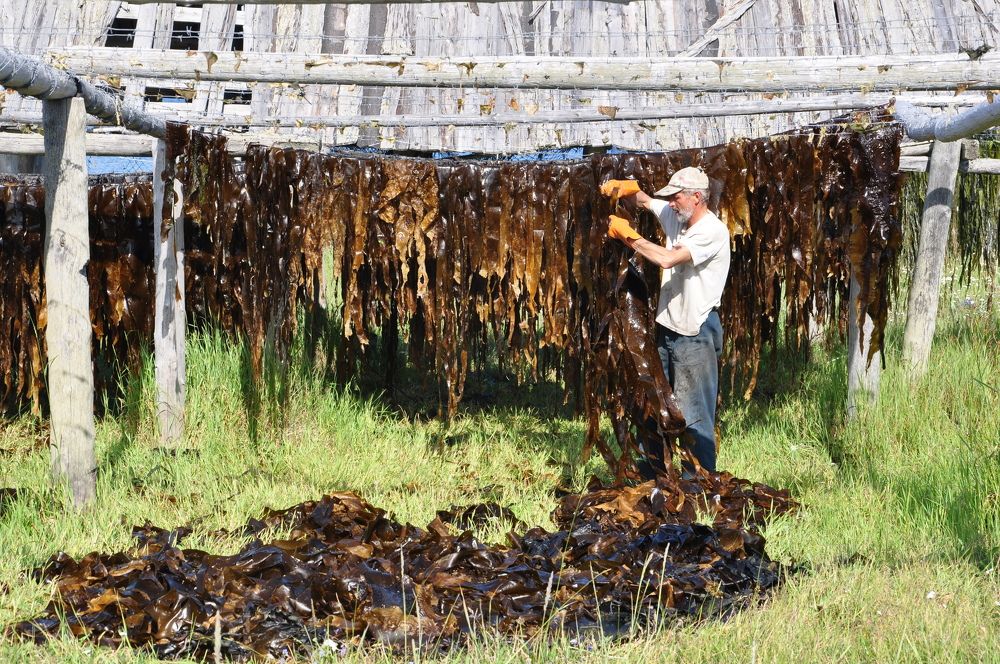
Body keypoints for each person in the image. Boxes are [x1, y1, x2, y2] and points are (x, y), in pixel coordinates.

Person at [600, 167, 731, 475]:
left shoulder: (711, 231)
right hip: (668, 331)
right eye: (670, 198)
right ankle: (655, 477)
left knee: (693, 414)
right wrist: (626, 189)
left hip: (696, 333)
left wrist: (629, 237)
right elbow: (647, 201)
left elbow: (667, 259)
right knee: (654, 403)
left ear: (696, 198)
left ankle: (697, 485)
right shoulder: (678, 215)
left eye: (676, 197)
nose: (670, 203)